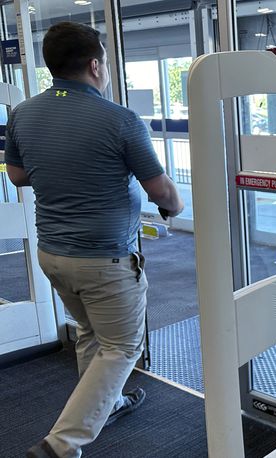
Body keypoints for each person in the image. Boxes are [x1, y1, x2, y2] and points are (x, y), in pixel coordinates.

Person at [4, 22, 184, 458]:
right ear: (95, 65)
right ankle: (61, 445)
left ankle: (110, 403)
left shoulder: (23, 113)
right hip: (104, 261)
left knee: (90, 332)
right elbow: (161, 192)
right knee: (122, 347)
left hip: (54, 255)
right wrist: (174, 209)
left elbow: (17, 175)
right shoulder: (120, 120)